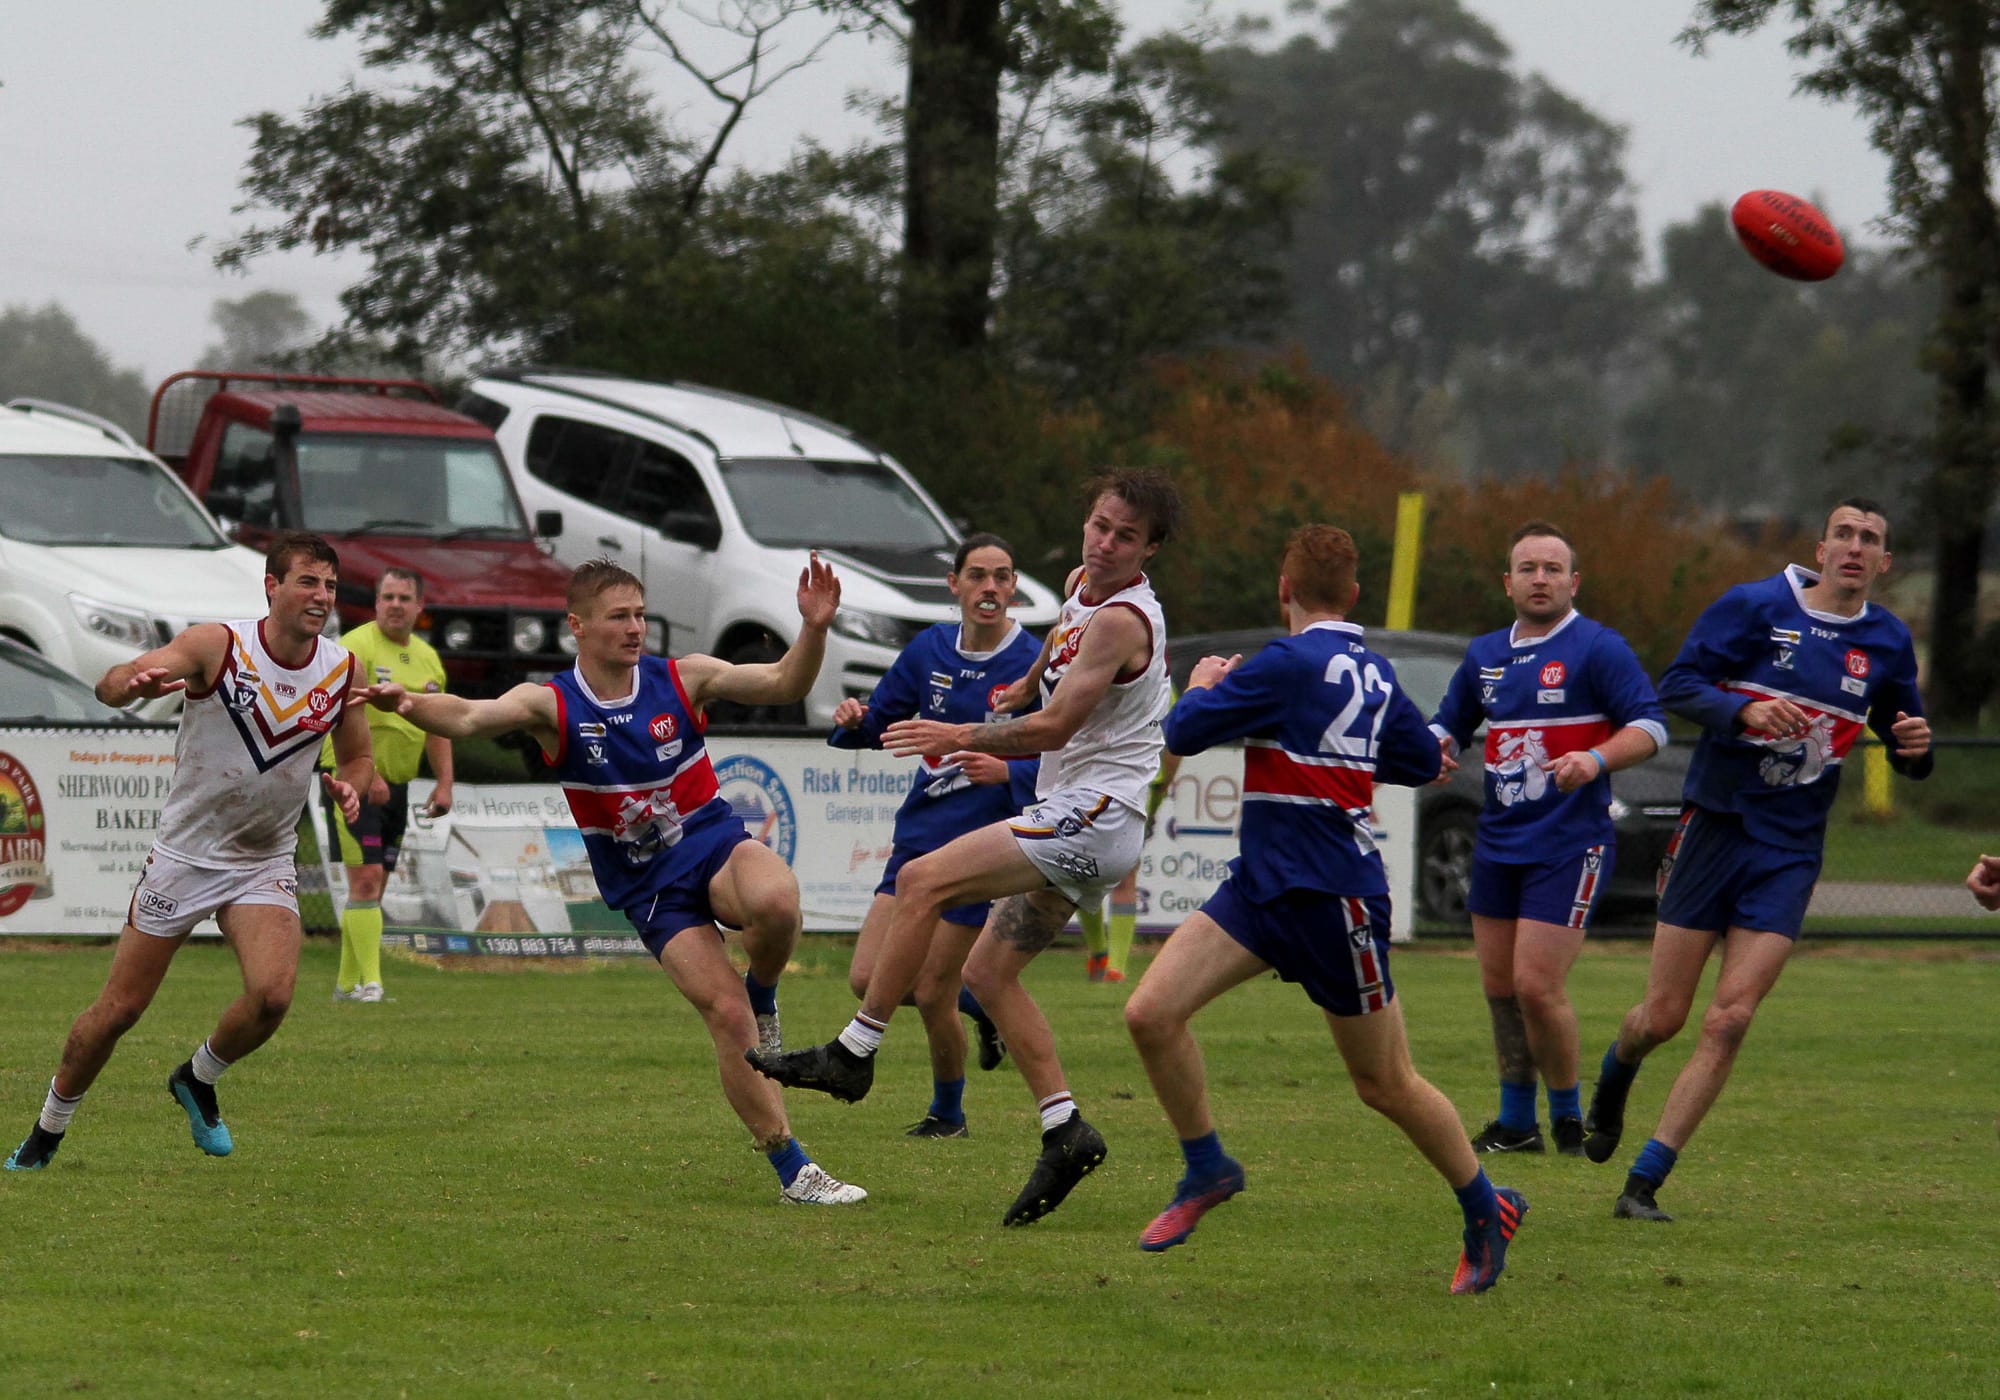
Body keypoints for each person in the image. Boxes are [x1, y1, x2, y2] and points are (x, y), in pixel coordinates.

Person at [353, 554, 867, 1205]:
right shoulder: (554, 703)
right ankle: (794, 1168)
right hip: (650, 888)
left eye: (641, 614)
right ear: (579, 626)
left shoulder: (682, 678)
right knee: (725, 1016)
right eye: (619, 616)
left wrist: (815, 628)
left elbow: (784, 682)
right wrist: (411, 705)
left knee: (779, 899)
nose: (635, 628)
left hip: (710, 843)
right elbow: (470, 717)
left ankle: (765, 991)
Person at [749, 469, 1182, 1226]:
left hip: (1094, 816)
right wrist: (1025, 686)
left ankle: (853, 1054)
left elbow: (1054, 732)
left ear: (1151, 550)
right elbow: (1060, 644)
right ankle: (1065, 1129)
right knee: (989, 974)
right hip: (1078, 811)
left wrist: (960, 731)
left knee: (922, 881)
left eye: (1126, 537)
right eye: (1100, 524)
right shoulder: (1085, 587)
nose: (1106, 543)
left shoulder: (1125, 620)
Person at [1123, 524, 1527, 1293]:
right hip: (1265, 887)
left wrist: (1206, 684)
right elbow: (1416, 758)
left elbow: (1182, 729)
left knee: (1385, 1084)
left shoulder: (1285, 662)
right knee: (1151, 1012)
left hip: (1334, 900)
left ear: (1283, 592)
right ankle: (1207, 1169)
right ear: (1355, 595)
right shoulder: (1373, 673)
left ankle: (1487, 1204)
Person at [1584, 498, 1932, 1221]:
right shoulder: (1753, 606)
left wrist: (1914, 751)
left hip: (1790, 850)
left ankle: (1644, 1184)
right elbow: (1676, 686)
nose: (1856, 548)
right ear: (1823, 545)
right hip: (1714, 829)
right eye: (1845, 534)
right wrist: (1741, 712)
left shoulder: (1886, 641)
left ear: (1885, 562)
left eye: (1871, 539)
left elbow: (1904, 742)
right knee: (1663, 1017)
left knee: (1730, 1019)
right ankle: (1617, 1076)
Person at [7, 531, 372, 1171]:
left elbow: (362, 755)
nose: (322, 597)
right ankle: (47, 1130)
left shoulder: (341, 670)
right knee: (119, 1010)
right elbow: (112, 684)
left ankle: (196, 1078)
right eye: (308, 582)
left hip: (263, 862)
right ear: (272, 586)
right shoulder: (219, 645)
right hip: (184, 858)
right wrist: (132, 684)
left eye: (331, 586)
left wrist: (352, 784)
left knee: (273, 997)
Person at [1429, 521, 1667, 1156]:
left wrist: (1595, 759)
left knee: (1536, 985)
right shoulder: (1485, 655)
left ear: (1573, 581)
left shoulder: (1598, 648)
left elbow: (1651, 726)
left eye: (1553, 569)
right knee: (1501, 990)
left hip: (1571, 842)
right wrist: (1436, 749)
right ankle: (1516, 1123)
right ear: (1508, 583)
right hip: (1499, 844)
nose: (1540, 579)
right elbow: (1446, 725)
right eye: (1528, 568)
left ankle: (1565, 1116)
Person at [829, 533, 1043, 1137]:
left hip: (980, 849)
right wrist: (855, 722)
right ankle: (986, 1005)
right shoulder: (928, 650)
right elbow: (885, 722)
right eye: (978, 575)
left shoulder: (1032, 665)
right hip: (919, 838)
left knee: (928, 990)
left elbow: (1061, 752)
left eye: (1002, 577)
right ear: (955, 585)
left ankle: (948, 1114)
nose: (991, 588)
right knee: (867, 980)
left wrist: (1009, 770)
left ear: (1014, 587)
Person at [322, 567, 454, 1004]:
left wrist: (444, 783)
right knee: (366, 881)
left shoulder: (428, 659)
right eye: (388, 597)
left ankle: (346, 985)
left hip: (399, 786)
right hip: (353, 781)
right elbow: (337, 715)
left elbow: (439, 725)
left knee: (373, 889)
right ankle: (374, 985)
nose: (395, 604)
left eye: (404, 597)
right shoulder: (356, 648)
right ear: (376, 603)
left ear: (420, 607)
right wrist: (366, 773)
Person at [1076, 740, 1181, 983]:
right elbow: (1175, 745)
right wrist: (1163, 786)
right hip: (1142, 783)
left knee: (1085, 868)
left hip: (1096, 781)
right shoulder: (1166, 699)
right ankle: (1111, 963)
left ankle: (1106, 960)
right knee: (1119, 871)